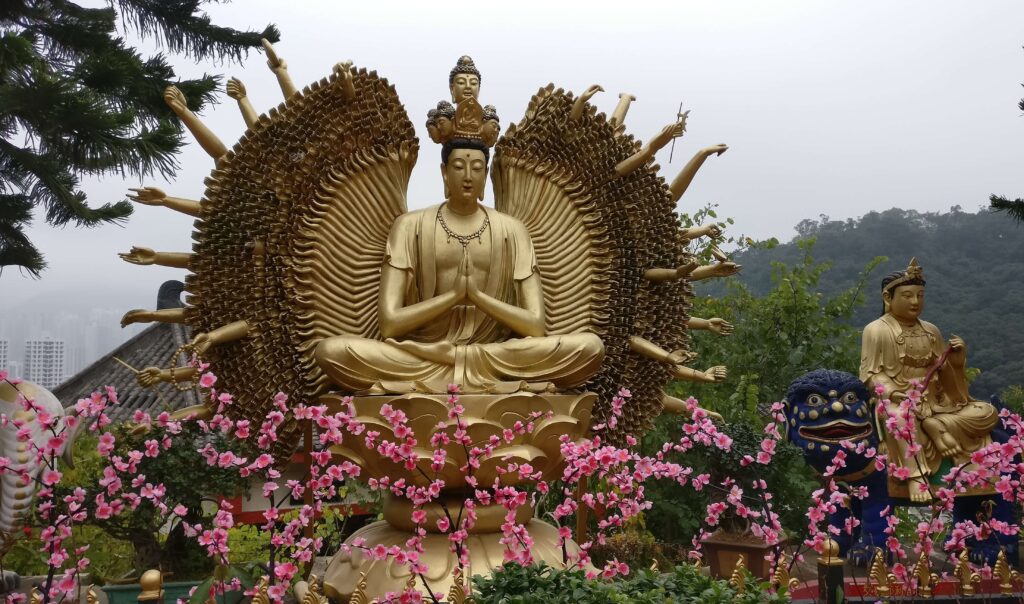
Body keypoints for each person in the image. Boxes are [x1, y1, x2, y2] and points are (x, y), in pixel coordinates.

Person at [859, 259, 997, 502]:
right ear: (887, 298)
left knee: (986, 412)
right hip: (898, 400)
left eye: (920, 296)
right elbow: (870, 374)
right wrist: (892, 392)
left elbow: (943, 373)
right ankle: (916, 478)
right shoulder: (876, 330)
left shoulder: (931, 330)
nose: (915, 302)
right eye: (908, 295)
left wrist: (956, 360)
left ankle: (938, 428)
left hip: (936, 403)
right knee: (900, 418)